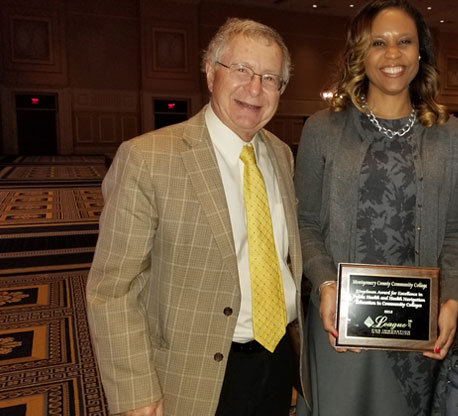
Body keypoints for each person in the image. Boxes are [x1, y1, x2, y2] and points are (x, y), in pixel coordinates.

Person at [86, 18, 309, 416]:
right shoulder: (149, 158)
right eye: (241, 69)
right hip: (191, 375)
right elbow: (112, 288)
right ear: (210, 73)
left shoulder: (280, 154)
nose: (255, 88)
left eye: (270, 78)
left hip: (276, 361)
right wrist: (135, 391)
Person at [294, 1, 458, 414]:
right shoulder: (323, 128)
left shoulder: (451, 135)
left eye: (404, 42)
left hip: (415, 328)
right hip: (341, 319)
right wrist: (324, 284)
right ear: (360, 53)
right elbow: (304, 223)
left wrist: (452, 301)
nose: (393, 54)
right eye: (378, 43)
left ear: (420, 51)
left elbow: (456, 232)